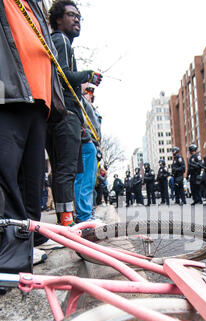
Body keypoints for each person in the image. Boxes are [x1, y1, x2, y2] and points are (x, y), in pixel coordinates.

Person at [0, 0, 66, 274]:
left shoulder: (34, 5)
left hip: (38, 101)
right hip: (8, 95)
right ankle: (10, 259)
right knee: (6, 176)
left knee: (32, 180)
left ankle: (26, 244)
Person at [47, 0, 102, 226]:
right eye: (71, 15)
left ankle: (67, 221)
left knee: (66, 169)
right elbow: (63, 75)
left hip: (64, 116)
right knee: (66, 170)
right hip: (64, 115)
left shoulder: (60, 41)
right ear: (58, 19)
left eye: (79, 16)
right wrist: (89, 75)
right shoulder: (60, 40)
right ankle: (67, 223)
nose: (77, 19)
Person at [74, 85, 100, 223]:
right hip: (84, 142)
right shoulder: (79, 100)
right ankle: (84, 217)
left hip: (91, 143)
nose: (91, 95)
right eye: (89, 91)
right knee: (83, 181)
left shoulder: (90, 107)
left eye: (92, 93)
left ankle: (87, 214)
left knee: (88, 183)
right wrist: (85, 136)